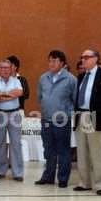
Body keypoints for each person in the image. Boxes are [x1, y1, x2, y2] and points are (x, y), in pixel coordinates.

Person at [74, 49, 101, 195]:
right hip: (81, 115)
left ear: (96, 59)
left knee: (97, 152)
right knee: (82, 151)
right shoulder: (81, 77)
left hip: (95, 117)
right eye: (82, 57)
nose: (83, 60)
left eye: (87, 57)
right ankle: (84, 182)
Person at [35, 50, 77, 188]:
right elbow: (40, 97)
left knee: (63, 150)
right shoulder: (43, 78)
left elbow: (75, 100)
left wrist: (67, 113)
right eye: (50, 60)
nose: (51, 63)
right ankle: (48, 176)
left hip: (62, 120)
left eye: (55, 60)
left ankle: (63, 178)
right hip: (46, 119)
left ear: (62, 63)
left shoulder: (71, 79)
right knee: (48, 149)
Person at [0, 59, 24, 181]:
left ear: (11, 69)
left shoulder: (16, 81)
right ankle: (0, 170)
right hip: (0, 114)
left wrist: (2, 95)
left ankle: (18, 173)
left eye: (7, 67)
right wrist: (9, 95)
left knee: (16, 143)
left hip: (14, 114)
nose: (5, 70)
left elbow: (19, 92)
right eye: (2, 67)